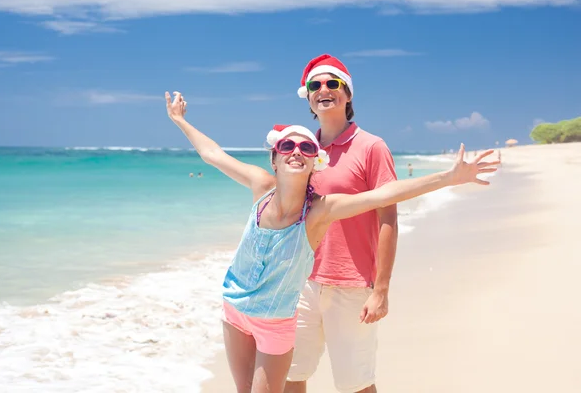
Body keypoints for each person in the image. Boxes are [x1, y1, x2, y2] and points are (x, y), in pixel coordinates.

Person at [164, 90, 497, 393]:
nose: (296, 152)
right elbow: (212, 154)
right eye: (287, 146)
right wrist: (180, 120)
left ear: (314, 162)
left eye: (306, 147)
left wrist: (448, 178)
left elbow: (385, 194)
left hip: (277, 321)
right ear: (274, 158)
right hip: (235, 309)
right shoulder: (261, 187)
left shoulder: (320, 212)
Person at [282, 54, 398, 393]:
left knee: (356, 385)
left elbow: (388, 217)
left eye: (332, 84)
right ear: (308, 97)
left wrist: (381, 289)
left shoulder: (371, 147)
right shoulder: (304, 148)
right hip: (303, 280)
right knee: (290, 374)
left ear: (347, 94)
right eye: (315, 86)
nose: (323, 90)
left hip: (352, 284)